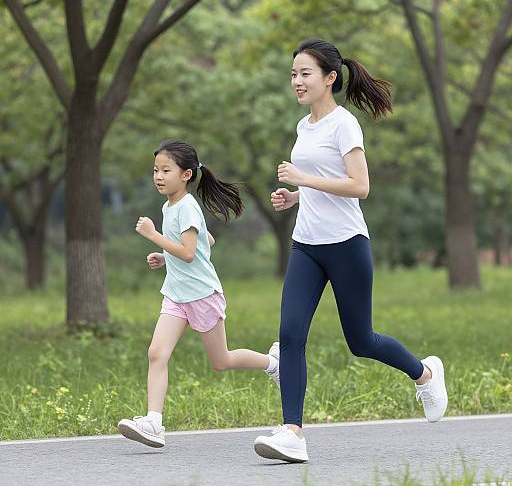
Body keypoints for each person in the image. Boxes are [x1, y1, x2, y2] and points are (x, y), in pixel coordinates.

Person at [253, 39, 448, 463]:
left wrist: (304, 177)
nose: (297, 81)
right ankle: (292, 433)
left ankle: (426, 372)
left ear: (329, 78)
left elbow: (359, 186)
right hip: (306, 245)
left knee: (361, 340)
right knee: (289, 335)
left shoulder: (345, 125)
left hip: (346, 245)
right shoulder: (303, 127)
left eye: (304, 73)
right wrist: (297, 196)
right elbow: (325, 184)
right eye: (292, 74)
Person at [118, 139, 279, 448]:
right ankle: (154, 422)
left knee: (222, 360)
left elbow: (191, 253)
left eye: (166, 170)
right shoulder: (171, 206)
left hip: (202, 295)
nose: (158, 176)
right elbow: (207, 241)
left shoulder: (187, 206)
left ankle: (273, 363)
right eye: (155, 170)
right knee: (156, 353)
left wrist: (154, 237)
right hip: (177, 295)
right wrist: (166, 258)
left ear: (186, 175)